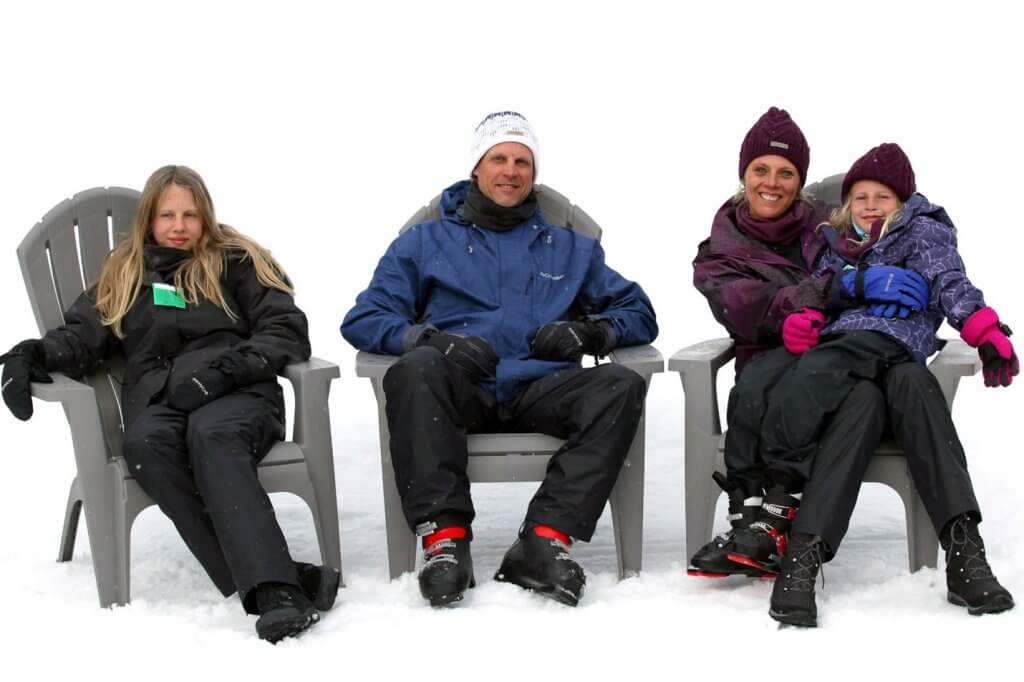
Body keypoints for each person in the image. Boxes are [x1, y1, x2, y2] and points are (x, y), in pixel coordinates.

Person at [0, 165, 339, 643]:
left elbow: (285, 330)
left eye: (190, 215)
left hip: (237, 395)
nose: (178, 226)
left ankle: (278, 594)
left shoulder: (236, 263)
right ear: (148, 220)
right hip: (161, 401)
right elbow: (81, 336)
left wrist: (223, 372)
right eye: (167, 216)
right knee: (145, 445)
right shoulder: (126, 275)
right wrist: (30, 355)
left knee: (213, 436)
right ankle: (283, 574)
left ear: (206, 218)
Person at [341, 111, 657, 608]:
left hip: (541, 387)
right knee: (417, 369)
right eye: (499, 159)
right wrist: (431, 340)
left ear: (534, 173)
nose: (510, 171)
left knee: (620, 385)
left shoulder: (570, 248)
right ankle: (445, 541)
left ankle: (544, 539)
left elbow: (638, 312)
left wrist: (589, 332)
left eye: (522, 162)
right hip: (462, 387)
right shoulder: (423, 243)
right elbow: (364, 318)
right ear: (477, 168)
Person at [762, 143, 1016, 626]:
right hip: (856, 369)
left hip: (895, 345)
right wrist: (808, 318)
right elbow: (816, 291)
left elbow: (949, 281)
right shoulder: (836, 243)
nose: (871, 204)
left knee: (901, 380)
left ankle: (965, 555)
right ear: (846, 204)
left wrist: (983, 329)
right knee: (872, 400)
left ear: (902, 203)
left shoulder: (922, 234)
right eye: (860, 196)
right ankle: (802, 561)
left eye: (882, 196)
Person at [688, 108, 931, 578]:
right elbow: (747, 308)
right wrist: (838, 289)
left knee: (854, 391)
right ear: (744, 174)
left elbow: (891, 242)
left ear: (801, 180)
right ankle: (750, 518)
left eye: (786, 172)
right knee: (757, 386)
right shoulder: (719, 249)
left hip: (841, 359)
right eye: (761, 169)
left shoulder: (832, 224)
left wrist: (911, 283)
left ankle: (773, 526)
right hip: (768, 364)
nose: (772, 182)